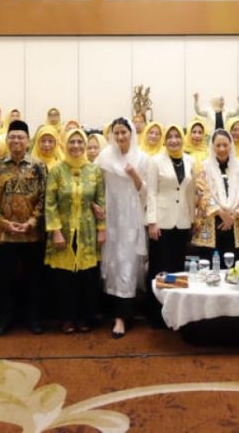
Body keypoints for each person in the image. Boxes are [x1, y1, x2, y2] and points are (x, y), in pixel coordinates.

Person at [0, 119, 47, 336]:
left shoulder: (38, 166)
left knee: (34, 279)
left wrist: (32, 221)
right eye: (12, 137)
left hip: (32, 234)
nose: (16, 140)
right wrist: (2, 222)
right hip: (4, 235)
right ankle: (4, 319)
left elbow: (45, 197)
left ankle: (34, 318)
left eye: (20, 137)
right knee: (4, 280)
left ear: (28, 141)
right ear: (7, 140)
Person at [45, 128, 106, 334]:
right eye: (72, 142)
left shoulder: (94, 170)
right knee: (65, 277)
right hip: (64, 229)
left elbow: (100, 201)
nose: (77, 146)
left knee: (87, 276)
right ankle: (67, 318)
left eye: (81, 142)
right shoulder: (57, 170)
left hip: (87, 231)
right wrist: (55, 231)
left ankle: (84, 317)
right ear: (65, 144)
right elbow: (50, 203)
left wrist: (101, 229)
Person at [97, 117, 151, 338]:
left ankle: (122, 317)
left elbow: (146, 191)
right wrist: (95, 206)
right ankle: (111, 312)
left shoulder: (142, 158)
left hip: (131, 217)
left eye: (123, 133)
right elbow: (95, 184)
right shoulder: (104, 156)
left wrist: (133, 173)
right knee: (112, 263)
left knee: (128, 264)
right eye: (116, 133)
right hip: (110, 217)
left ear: (131, 134)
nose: (119, 137)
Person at [191, 129, 239, 262]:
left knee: (233, 270)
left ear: (231, 145)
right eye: (218, 145)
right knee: (209, 269)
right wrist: (220, 212)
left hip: (234, 223)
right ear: (212, 147)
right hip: (210, 223)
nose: (222, 149)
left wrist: (232, 215)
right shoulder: (204, 167)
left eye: (225, 145)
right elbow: (202, 192)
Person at [146, 124, 195, 278]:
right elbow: (151, 192)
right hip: (161, 222)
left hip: (182, 221)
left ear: (183, 138)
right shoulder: (155, 161)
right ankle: (156, 302)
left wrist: (192, 220)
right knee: (159, 267)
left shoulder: (190, 160)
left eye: (177, 136)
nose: (174, 140)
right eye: (170, 137)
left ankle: (175, 301)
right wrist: (152, 221)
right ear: (164, 141)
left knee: (177, 267)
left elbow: (190, 193)